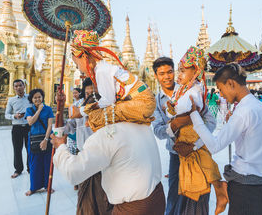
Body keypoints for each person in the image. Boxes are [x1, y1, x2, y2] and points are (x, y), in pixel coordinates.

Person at [172, 63, 262, 215]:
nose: (221, 94)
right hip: (261, 181)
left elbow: (215, 145)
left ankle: (221, 189)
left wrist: (194, 114)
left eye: (221, 89)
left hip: (245, 185)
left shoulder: (243, 112)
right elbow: (252, 137)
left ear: (231, 83)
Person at [51, 92, 165, 215]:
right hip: (156, 197)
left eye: (90, 117)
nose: (86, 124)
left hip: (134, 208)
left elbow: (72, 172)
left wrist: (61, 148)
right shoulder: (139, 122)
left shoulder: (108, 133)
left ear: (103, 113)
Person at [166, 46, 228, 215]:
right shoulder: (181, 90)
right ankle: (218, 188)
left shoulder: (194, 90)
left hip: (193, 137)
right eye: (178, 71)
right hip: (179, 144)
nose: (178, 75)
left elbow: (191, 110)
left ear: (196, 72)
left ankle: (220, 189)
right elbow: (167, 122)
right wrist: (174, 123)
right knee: (185, 184)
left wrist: (174, 111)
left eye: (182, 71)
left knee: (204, 163)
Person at [152, 56, 214, 215]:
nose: (167, 76)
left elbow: (211, 122)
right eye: (161, 73)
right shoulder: (157, 102)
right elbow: (158, 131)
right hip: (176, 153)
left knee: (199, 195)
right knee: (175, 194)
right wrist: (178, 124)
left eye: (170, 72)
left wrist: (196, 144)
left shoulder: (192, 91)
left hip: (198, 152)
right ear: (156, 76)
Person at [69, 29, 155, 131]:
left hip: (142, 102)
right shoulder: (103, 68)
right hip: (142, 100)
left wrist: (81, 111)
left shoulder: (101, 71)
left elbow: (108, 102)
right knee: (98, 115)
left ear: (84, 56)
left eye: (77, 64)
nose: (78, 69)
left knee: (96, 117)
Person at [65, 78, 112, 215]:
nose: (91, 98)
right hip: (84, 159)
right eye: (87, 94)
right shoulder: (78, 110)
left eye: (94, 94)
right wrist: (60, 110)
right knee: (86, 204)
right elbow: (67, 128)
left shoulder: (107, 110)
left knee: (104, 201)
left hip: (102, 161)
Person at [24, 88, 54, 196]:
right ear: (31, 99)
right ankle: (33, 187)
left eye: (39, 97)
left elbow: (50, 125)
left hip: (47, 137)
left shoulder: (49, 109)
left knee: (47, 163)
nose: (38, 99)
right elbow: (31, 122)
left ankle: (48, 186)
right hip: (33, 139)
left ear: (43, 97)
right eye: (35, 97)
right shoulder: (29, 110)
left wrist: (46, 140)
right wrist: (39, 110)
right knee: (34, 164)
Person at [5, 79, 31, 178]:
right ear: (13, 88)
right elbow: (6, 115)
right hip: (17, 127)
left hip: (28, 126)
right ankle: (18, 169)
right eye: (16, 86)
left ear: (24, 86)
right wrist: (14, 116)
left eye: (20, 85)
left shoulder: (30, 98)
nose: (18, 88)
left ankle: (30, 168)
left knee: (30, 149)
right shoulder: (11, 100)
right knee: (17, 149)